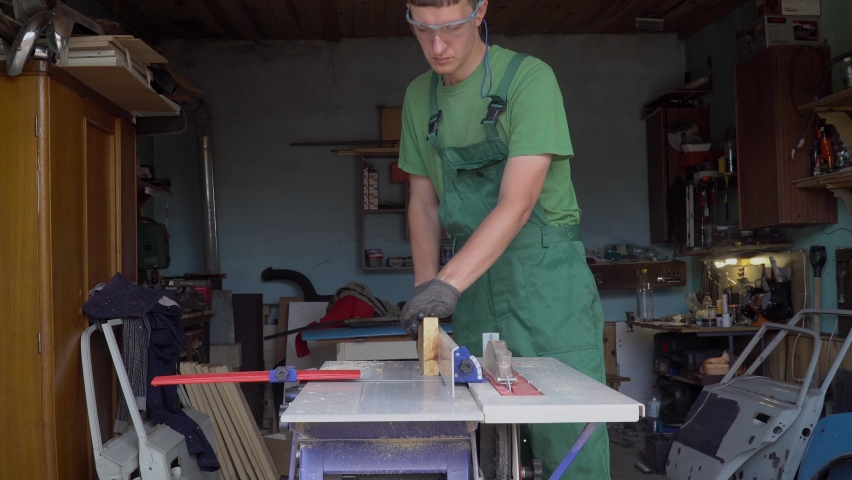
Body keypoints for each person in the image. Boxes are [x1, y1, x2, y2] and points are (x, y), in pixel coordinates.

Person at [396, 0, 610, 478]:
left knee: (569, 443)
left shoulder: (529, 80)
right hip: (472, 290)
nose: (436, 46)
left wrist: (446, 284)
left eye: (449, 28)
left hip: (546, 283)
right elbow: (424, 202)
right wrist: (426, 291)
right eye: (422, 31)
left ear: (479, 11)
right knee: (481, 443)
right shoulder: (419, 97)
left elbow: (518, 202)